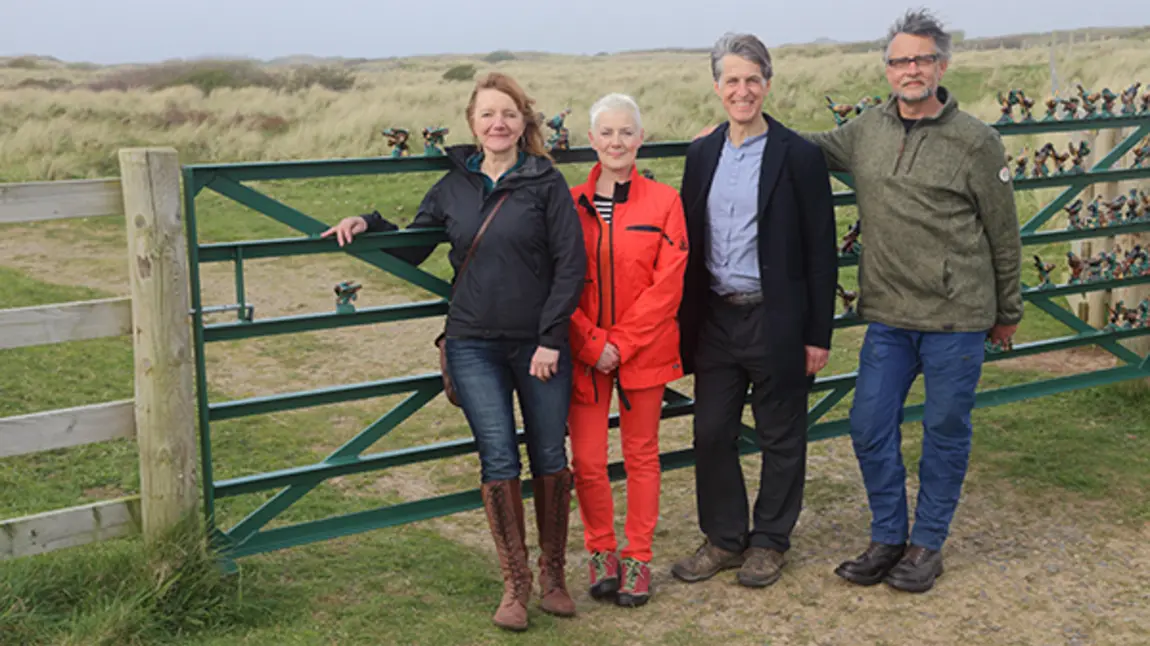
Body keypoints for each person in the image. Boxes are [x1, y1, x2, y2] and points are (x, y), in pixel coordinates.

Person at [322, 72, 587, 630]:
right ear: (472, 122)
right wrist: (366, 222)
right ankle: (515, 585)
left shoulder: (545, 182)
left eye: (509, 114)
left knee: (549, 456)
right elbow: (415, 245)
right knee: (498, 459)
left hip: (537, 347)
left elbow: (571, 266)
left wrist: (549, 339)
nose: (498, 123)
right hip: (472, 345)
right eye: (488, 114)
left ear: (524, 123)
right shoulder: (452, 186)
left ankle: (554, 576)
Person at [800, 9, 1023, 593]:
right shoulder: (866, 130)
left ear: (942, 66)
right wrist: (740, 128)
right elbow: (807, 149)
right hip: (890, 316)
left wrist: (1007, 313)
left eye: (922, 58)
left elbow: (1004, 233)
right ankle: (888, 536)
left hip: (957, 317)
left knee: (945, 429)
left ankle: (927, 544)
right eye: (900, 60)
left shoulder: (977, 142)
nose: (910, 69)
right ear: (888, 69)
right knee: (869, 424)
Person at [670, 33, 838, 589]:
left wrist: (818, 335)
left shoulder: (799, 156)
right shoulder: (701, 153)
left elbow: (821, 249)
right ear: (717, 87)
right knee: (711, 431)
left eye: (752, 79)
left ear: (768, 82)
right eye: (732, 80)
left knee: (781, 433)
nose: (742, 90)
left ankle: (769, 541)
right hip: (717, 317)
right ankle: (724, 539)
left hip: (777, 318)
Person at [566, 93, 688, 608]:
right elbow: (555, 282)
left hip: (644, 351)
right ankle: (601, 551)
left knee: (642, 456)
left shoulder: (665, 202)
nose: (617, 142)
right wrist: (593, 343)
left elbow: (669, 282)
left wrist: (622, 342)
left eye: (626, 132)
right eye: (607, 133)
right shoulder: (569, 203)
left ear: (641, 139)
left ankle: (637, 557)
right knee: (589, 461)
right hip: (585, 353)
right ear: (591, 140)